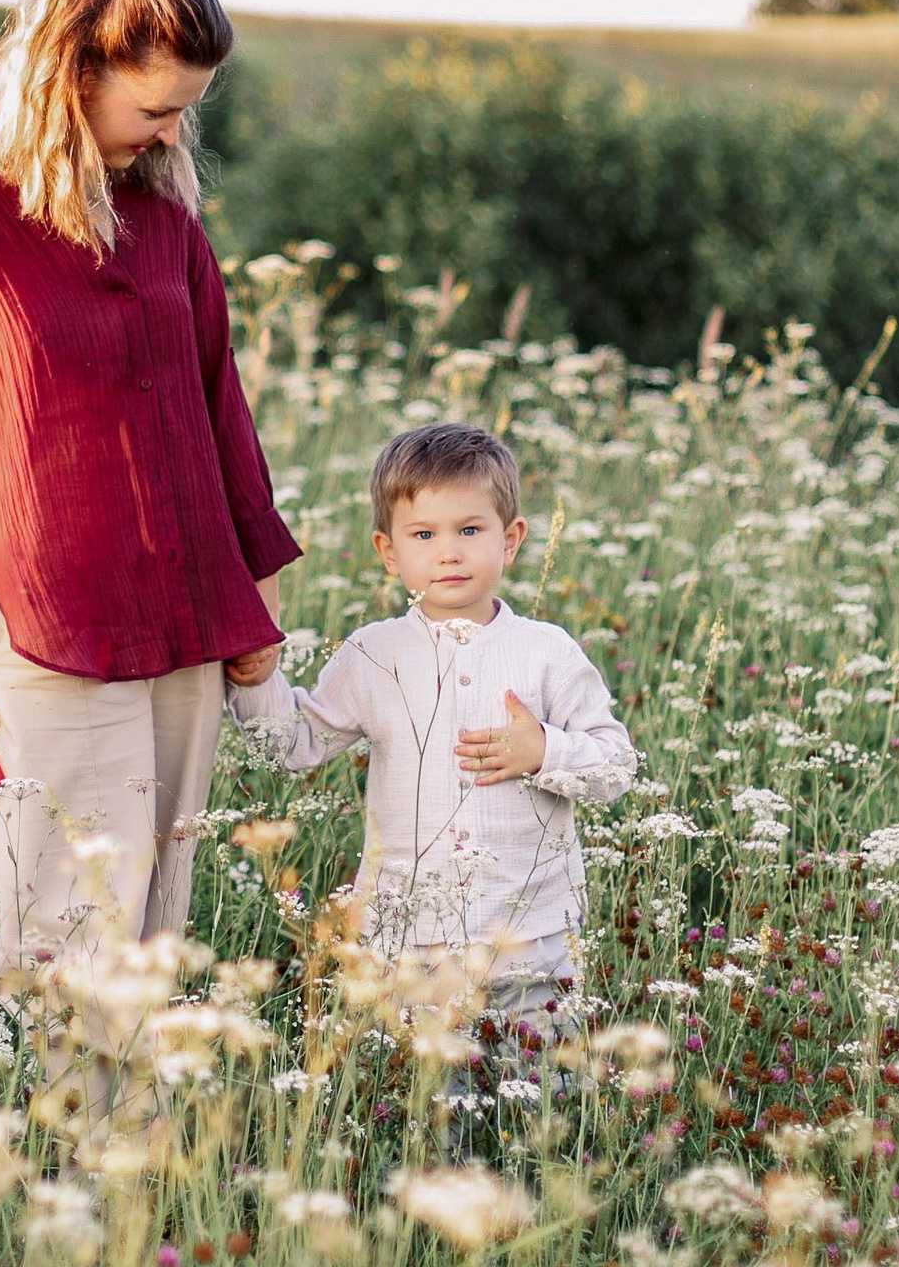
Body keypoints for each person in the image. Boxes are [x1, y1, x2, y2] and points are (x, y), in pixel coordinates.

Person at [0, 0, 300, 1138]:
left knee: (150, 929)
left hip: (183, 621)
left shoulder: (157, 222)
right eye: (154, 107)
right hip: (37, 632)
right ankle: (60, 1198)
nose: (169, 135)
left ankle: (132, 1187)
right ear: (69, 69)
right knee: (64, 930)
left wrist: (246, 604)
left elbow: (214, 410)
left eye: (186, 111)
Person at [224, 421, 638, 1066]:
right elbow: (295, 744)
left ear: (512, 539)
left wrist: (544, 752)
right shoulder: (375, 652)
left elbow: (614, 766)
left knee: (544, 1099)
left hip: (531, 934)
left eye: (470, 531)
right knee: (428, 1105)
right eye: (425, 535)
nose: (449, 552)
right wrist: (258, 680)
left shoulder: (547, 652)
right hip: (410, 938)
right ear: (389, 552)